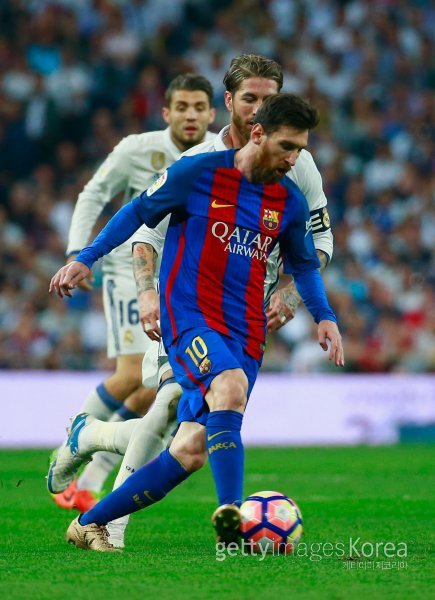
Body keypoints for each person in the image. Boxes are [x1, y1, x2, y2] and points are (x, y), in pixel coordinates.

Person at [52, 54, 336, 549]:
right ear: (252, 128)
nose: (293, 157)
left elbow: (308, 261)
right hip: (189, 314)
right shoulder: (197, 170)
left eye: (299, 149)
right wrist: (88, 258)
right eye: (287, 147)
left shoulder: (291, 195)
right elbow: (139, 216)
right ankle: (231, 518)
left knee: (189, 448)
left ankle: (91, 517)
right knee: (222, 389)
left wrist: (323, 315)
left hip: (247, 327)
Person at [51, 73, 216, 511]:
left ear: (212, 113)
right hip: (132, 271)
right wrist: (77, 251)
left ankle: (88, 479)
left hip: (182, 280)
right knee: (129, 375)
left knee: (152, 391)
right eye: (182, 107)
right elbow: (93, 194)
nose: (191, 115)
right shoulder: (136, 149)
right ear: (166, 113)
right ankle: (67, 449)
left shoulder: (221, 154)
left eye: (199, 107)